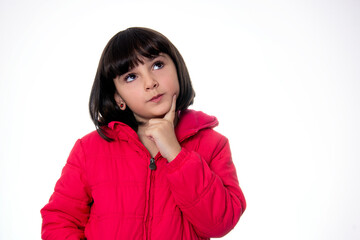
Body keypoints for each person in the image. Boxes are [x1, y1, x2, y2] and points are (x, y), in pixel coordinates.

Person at [40, 27, 246, 240]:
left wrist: (177, 155)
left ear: (177, 67)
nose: (150, 83)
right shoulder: (90, 149)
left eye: (157, 65)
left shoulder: (212, 144)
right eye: (131, 77)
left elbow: (220, 223)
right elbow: (60, 220)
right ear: (118, 97)